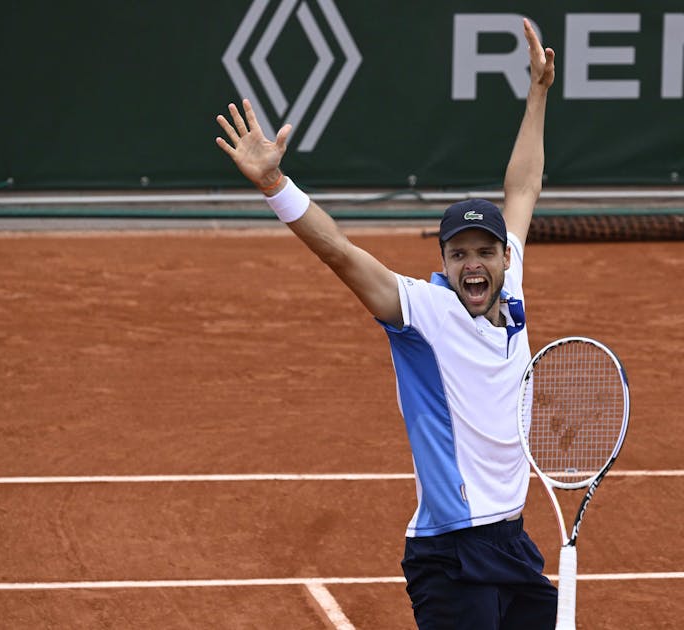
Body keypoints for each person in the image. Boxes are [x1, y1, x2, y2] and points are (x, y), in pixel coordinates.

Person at [216, 18, 556, 630]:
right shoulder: (422, 311)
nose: (473, 265)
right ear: (443, 262)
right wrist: (274, 184)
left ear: (506, 257)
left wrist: (537, 93)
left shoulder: (514, 284)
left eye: (485, 252)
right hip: (452, 553)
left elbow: (523, 187)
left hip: (511, 542)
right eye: (459, 254)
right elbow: (341, 253)